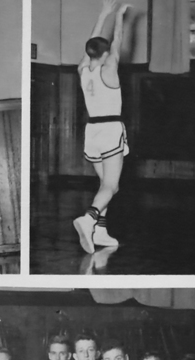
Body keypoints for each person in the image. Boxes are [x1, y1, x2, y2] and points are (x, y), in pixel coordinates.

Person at [73, 0, 131, 254]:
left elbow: (91, 46)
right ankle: (89, 219)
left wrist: (103, 13)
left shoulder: (83, 70)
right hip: (109, 130)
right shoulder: (110, 68)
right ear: (106, 53)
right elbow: (117, 40)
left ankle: (101, 231)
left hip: (92, 131)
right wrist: (119, 16)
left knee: (104, 185)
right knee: (112, 186)